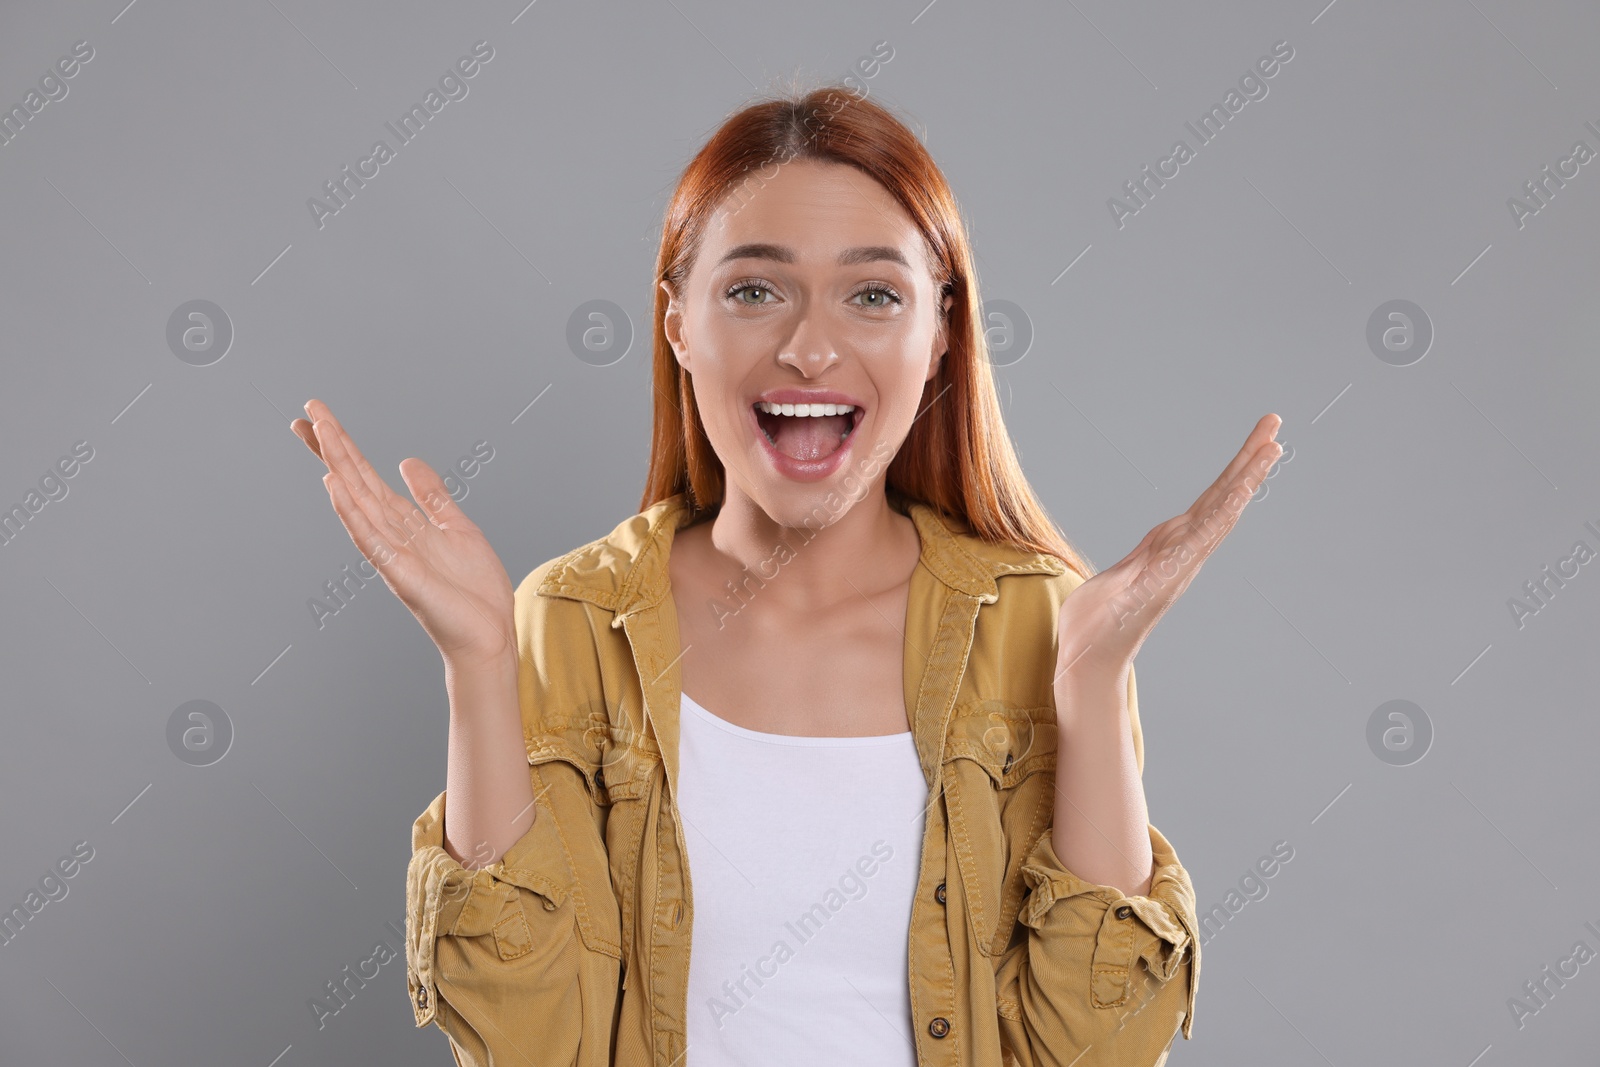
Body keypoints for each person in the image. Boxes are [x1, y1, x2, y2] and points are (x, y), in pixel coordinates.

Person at [291, 84, 1280, 1067]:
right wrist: (478, 662)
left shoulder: (1042, 624)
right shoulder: (573, 620)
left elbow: (1093, 1051)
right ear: (678, 324)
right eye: (756, 290)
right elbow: (530, 1039)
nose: (809, 346)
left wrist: (1093, 683)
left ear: (939, 330)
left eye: (873, 294)